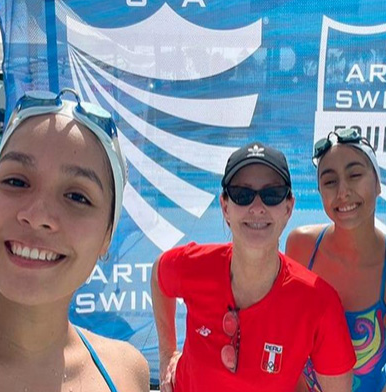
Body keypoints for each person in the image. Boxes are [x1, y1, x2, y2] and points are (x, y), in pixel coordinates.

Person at [0, 89, 149, 392]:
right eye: (16, 181)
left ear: (107, 237)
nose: (37, 215)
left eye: (77, 197)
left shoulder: (126, 373)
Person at [152, 141, 356, 392]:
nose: (257, 208)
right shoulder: (194, 265)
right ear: (225, 207)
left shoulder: (319, 303)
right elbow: (159, 275)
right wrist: (167, 354)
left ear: (288, 208)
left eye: (272, 194)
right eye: (242, 194)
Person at [286, 128, 386, 392]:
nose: (343, 191)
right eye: (330, 181)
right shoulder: (301, 246)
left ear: (377, 184)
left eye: (355, 175)